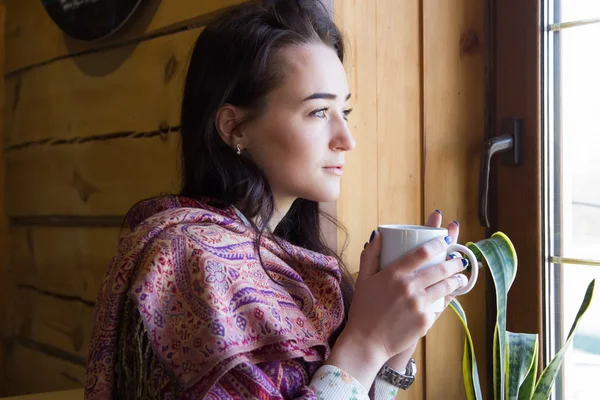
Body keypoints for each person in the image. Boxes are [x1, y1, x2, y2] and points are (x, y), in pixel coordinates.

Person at [84, 0, 468, 398]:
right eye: (319, 112)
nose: (347, 139)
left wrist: (396, 341)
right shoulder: (192, 261)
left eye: (345, 111)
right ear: (235, 128)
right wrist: (367, 341)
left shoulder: (291, 262)